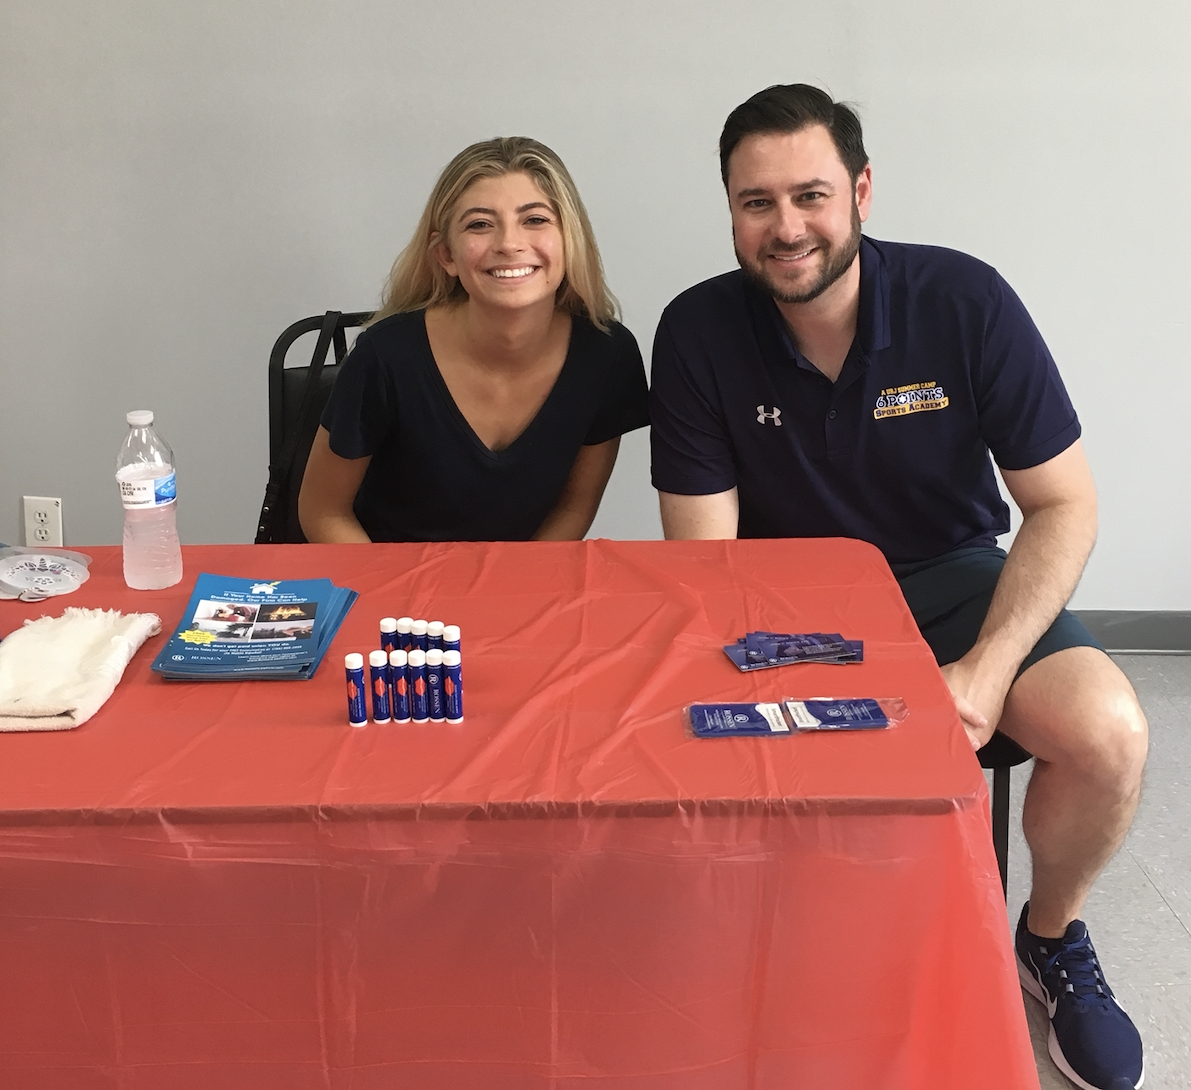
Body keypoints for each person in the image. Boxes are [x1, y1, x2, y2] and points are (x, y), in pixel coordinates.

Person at [650, 84, 1147, 1090]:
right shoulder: (697, 329)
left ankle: (1048, 939)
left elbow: (1066, 506)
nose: (785, 227)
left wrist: (983, 668)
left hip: (955, 580)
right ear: (730, 211)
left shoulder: (963, 302)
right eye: (756, 202)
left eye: (810, 195)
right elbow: (709, 563)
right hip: (790, 602)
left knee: (1109, 736)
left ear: (862, 191)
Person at [299, 137, 648, 543]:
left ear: (570, 240)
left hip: (520, 587)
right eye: (480, 224)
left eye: (535, 219)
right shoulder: (384, 357)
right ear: (446, 254)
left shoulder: (607, 354)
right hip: (393, 593)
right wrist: (398, 603)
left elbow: (573, 508)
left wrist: (510, 597)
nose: (509, 244)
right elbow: (323, 512)